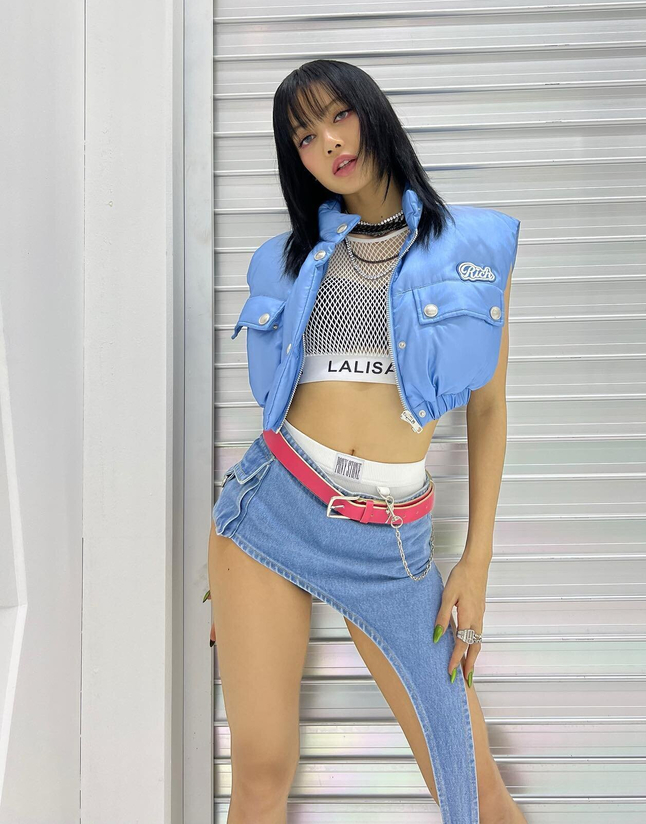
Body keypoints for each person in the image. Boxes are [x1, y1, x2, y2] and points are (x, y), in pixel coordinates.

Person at [207, 59, 526, 824]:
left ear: (371, 112)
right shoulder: (285, 260)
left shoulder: (473, 248)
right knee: (260, 777)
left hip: (389, 545)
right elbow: (282, 402)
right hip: (268, 515)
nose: (327, 143)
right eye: (303, 136)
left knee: (473, 790)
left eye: (337, 116)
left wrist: (475, 562)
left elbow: (488, 411)